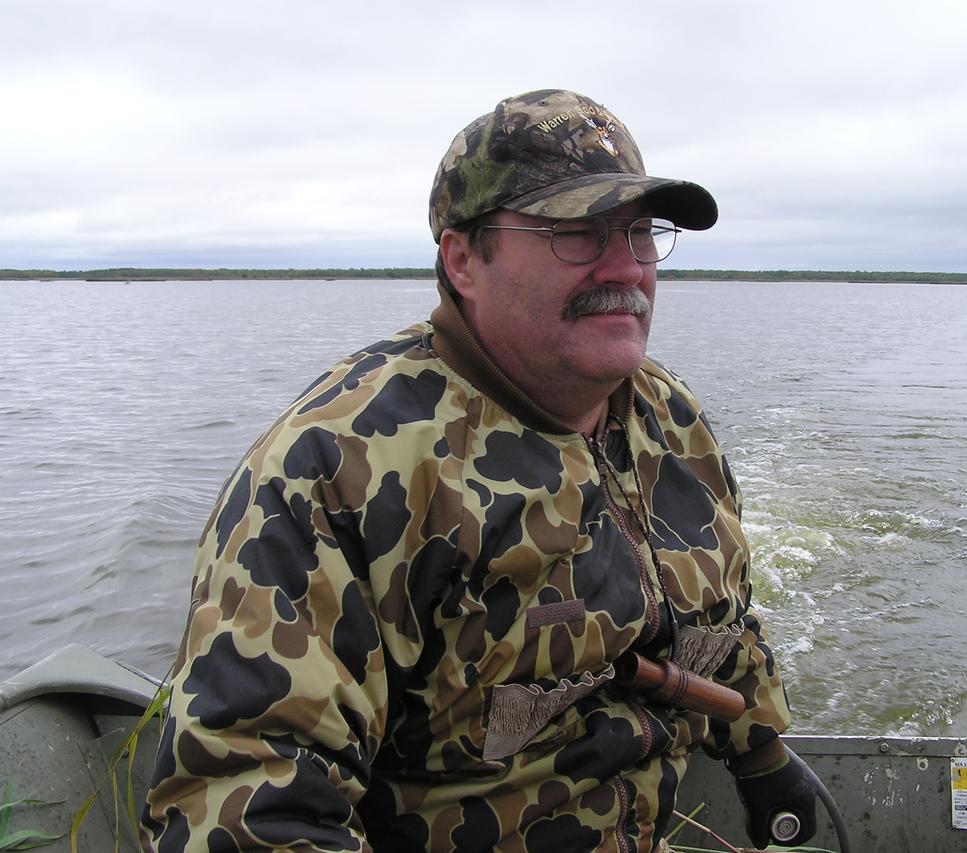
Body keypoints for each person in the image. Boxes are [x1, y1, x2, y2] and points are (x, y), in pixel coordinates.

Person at [141, 88, 818, 852]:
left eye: (638, 232)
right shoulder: (336, 470)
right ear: (462, 259)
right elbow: (244, 803)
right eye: (579, 233)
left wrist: (763, 753)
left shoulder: (667, 416)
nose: (627, 266)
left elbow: (723, 621)